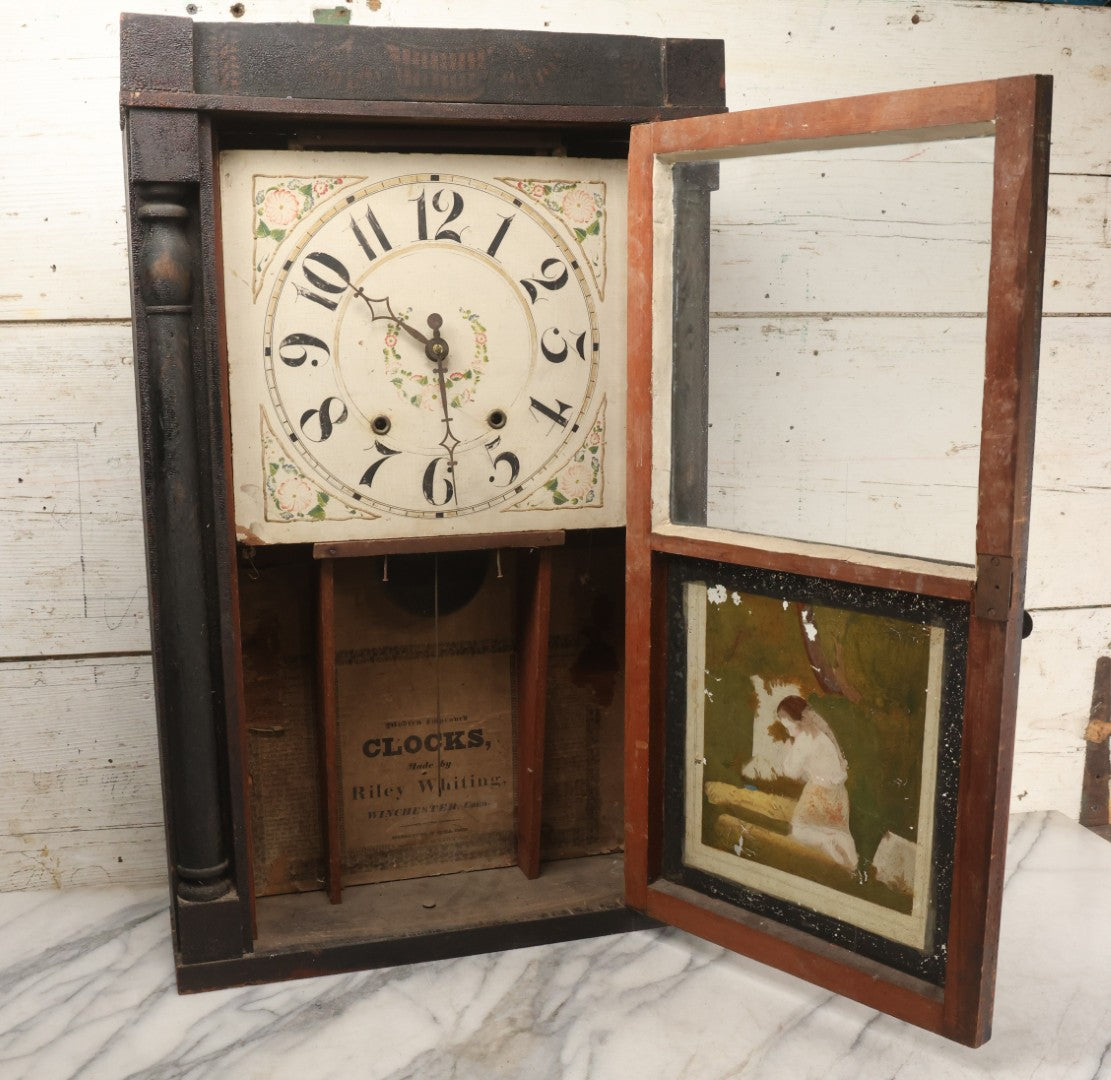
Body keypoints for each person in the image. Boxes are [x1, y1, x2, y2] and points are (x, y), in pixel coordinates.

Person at [775, 695, 858, 872]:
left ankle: (825, 842)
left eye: (789, 726)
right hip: (838, 794)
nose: (789, 732)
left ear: (798, 720)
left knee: (799, 831)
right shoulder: (821, 734)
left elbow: (791, 772)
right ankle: (846, 861)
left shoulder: (805, 738)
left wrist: (788, 749)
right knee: (837, 831)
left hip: (819, 794)